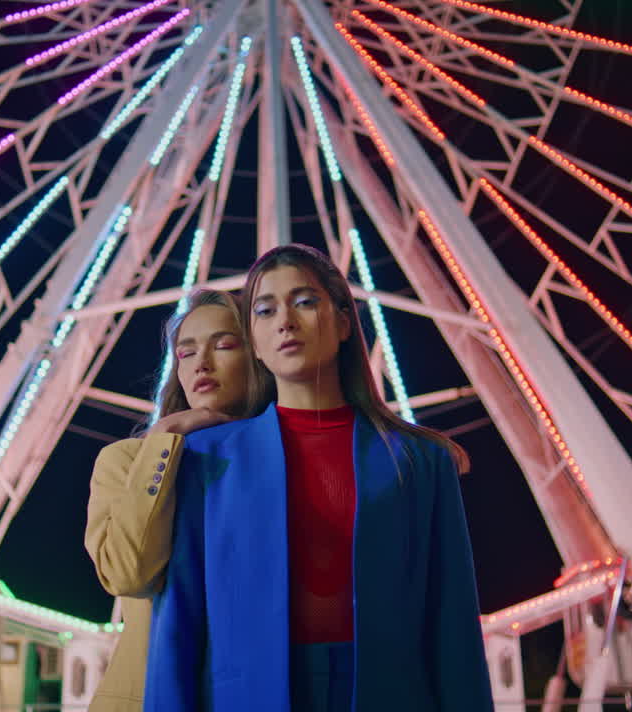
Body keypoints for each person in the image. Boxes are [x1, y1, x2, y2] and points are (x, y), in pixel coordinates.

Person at [145, 244, 494, 712]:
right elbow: (178, 625)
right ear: (256, 342)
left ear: (345, 322)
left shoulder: (421, 462)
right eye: (265, 310)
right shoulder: (206, 459)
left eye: (305, 302)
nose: (285, 321)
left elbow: (453, 630)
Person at [85, 288, 273, 712]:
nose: (201, 364)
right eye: (186, 354)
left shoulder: (284, 466)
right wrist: (163, 441)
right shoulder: (126, 461)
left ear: (262, 358)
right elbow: (127, 574)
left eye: (224, 345)